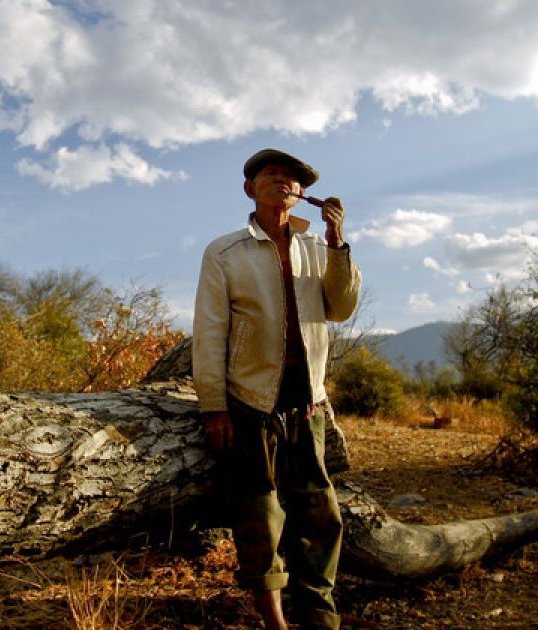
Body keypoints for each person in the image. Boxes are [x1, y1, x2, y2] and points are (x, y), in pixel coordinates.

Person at [192, 148, 362, 630]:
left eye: (292, 179)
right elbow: (209, 332)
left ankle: (319, 615)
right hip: (251, 401)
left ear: (303, 194)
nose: (282, 182)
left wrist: (337, 239)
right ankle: (274, 620)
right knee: (260, 514)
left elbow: (341, 307)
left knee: (320, 512)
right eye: (271, 175)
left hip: (307, 400)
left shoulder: (317, 246)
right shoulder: (225, 252)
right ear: (250, 188)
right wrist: (214, 407)